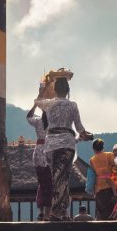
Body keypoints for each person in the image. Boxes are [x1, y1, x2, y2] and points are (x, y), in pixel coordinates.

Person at [37, 68, 91, 222]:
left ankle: (61, 211)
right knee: (63, 178)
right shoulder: (72, 105)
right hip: (67, 144)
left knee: (56, 177)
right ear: (67, 90)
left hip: (51, 144)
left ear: (55, 90)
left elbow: (37, 101)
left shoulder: (48, 104)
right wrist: (86, 136)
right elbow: (80, 128)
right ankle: (58, 211)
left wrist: (47, 84)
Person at [26, 80, 52, 221]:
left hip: (37, 153)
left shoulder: (37, 121)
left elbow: (29, 116)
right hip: (49, 153)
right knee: (49, 184)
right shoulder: (53, 122)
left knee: (42, 183)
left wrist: (36, 103)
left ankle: (42, 211)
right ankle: (47, 213)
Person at [88, 138, 117, 221]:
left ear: (93, 149)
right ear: (103, 147)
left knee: (101, 214)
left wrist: (94, 192)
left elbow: (93, 176)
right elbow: (116, 170)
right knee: (112, 214)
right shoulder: (110, 155)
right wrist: (115, 192)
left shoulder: (92, 160)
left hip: (99, 190)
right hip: (110, 188)